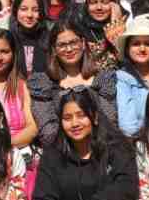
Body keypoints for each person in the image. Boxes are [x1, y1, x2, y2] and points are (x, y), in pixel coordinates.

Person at [29, 14, 119, 148]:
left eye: (73, 42)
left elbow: (109, 121)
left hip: (100, 148)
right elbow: (48, 131)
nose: (69, 49)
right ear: (54, 49)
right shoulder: (44, 84)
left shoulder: (102, 79)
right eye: (62, 45)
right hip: (61, 152)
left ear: (83, 43)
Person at [115, 16, 149, 137]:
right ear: (127, 48)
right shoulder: (122, 79)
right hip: (139, 142)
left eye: (148, 44)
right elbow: (128, 126)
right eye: (136, 44)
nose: (142, 49)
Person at [80, 0, 126, 73]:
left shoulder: (128, 24)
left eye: (105, 2)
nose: (99, 7)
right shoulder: (79, 28)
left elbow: (126, 60)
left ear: (114, 3)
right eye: (93, 2)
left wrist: (116, 25)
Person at [10, 0, 48, 77]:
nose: (29, 15)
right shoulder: (8, 39)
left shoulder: (49, 39)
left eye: (35, 10)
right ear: (16, 11)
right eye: (24, 9)